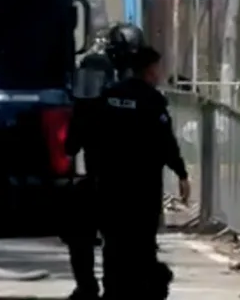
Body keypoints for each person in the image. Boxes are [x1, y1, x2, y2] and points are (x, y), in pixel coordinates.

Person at [94, 44, 191, 300]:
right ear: (149, 69)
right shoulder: (152, 100)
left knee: (113, 243)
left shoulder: (109, 96)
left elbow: (95, 138)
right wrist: (181, 173)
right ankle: (140, 290)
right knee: (142, 244)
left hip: (111, 185)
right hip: (142, 188)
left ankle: (113, 290)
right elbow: (165, 142)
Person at [62, 24, 145, 300]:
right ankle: (103, 287)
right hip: (119, 181)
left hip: (107, 179)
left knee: (91, 237)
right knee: (108, 239)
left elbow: (73, 142)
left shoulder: (102, 87)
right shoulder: (136, 88)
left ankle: (94, 287)